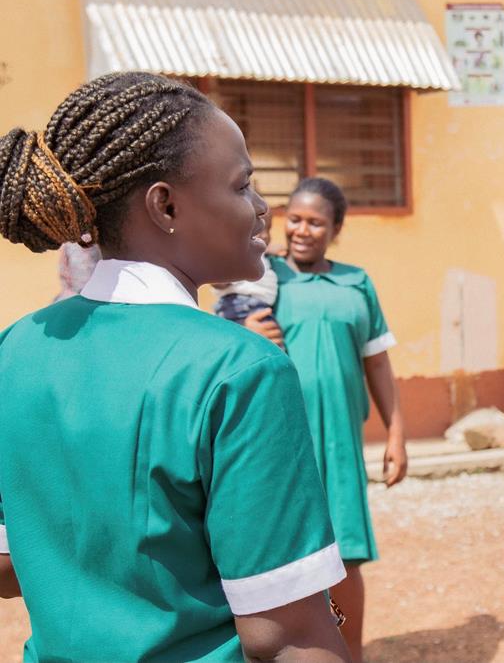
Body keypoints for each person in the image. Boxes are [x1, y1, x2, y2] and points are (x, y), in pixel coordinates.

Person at [0, 72, 350, 662]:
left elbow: (11, 566)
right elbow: (284, 635)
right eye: (242, 186)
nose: (263, 209)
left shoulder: (15, 349)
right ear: (165, 205)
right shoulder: (240, 370)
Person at [246, 176, 408, 663]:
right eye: (295, 219)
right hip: (279, 440)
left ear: (335, 228)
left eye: (316, 222)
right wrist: (246, 328)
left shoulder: (356, 283)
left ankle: (349, 654)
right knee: (279, 550)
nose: (302, 230)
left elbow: (376, 363)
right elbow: (223, 333)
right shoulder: (262, 277)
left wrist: (397, 432)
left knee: (345, 554)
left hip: (339, 439)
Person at [211, 208, 285, 347]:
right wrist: (222, 277)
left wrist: (271, 249)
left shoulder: (257, 253)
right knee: (272, 348)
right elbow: (217, 281)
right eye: (258, 228)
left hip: (255, 306)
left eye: (267, 229)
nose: (264, 235)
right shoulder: (237, 254)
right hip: (242, 307)